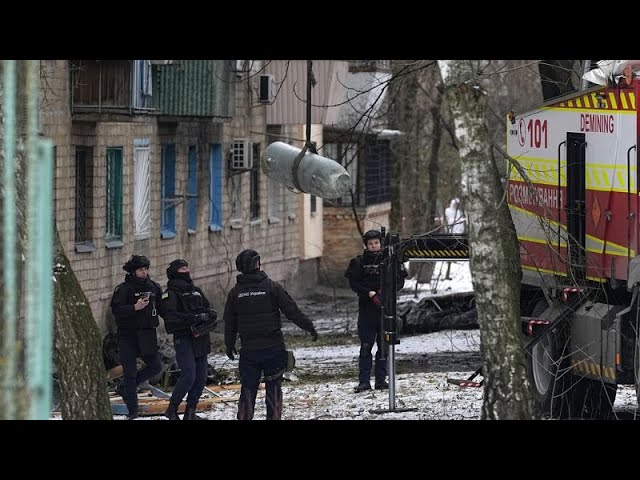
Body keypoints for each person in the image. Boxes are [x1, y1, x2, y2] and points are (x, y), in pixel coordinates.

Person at [223, 249, 318, 420]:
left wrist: (229, 345)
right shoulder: (272, 287)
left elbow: (229, 323)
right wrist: (308, 326)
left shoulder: (235, 293)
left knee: (247, 389)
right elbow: (292, 310)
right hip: (273, 348)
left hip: (249, 350)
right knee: (274, 388)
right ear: (257, 264)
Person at [345, 229, 407, 393]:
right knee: (366, 346)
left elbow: (399, 281)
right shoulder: (359, 262)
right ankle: (364, 381)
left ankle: (381, 380)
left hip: (385, 309)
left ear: (381, 244)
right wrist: (369, 292)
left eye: (376, 243)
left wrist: (385, 292)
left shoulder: (389, 261)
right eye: (371, 244)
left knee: (384, 347)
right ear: (366, 245)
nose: (374, 246)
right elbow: (353, 283)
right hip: (367, 310)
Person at [161, 259, 217, 420]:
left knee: (201, 377)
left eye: (187, 267)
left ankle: (190, 411)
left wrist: (208, 316)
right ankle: (172, 409)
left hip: (201, 337)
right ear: (174, 272)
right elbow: (170, 316)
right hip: (184, 338)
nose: (186, 270)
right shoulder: (170, 294)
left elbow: (206, 308)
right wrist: (193, 318)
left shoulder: (196, 291)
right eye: (182, 268)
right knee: (189, 376)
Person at [110, 255, 164, 419]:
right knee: (130, 373)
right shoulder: (124, 289)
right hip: (128, 334)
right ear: (133, 271)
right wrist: (134, 307)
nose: (144, 272)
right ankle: (133, 412)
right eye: (141, 270)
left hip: (147, 333)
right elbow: (116, 310)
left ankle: (127, 387)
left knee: (155, 366)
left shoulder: (153, 287)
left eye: (146, 269)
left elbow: (162, 306)